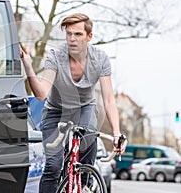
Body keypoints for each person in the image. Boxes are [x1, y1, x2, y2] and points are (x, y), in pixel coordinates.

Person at [20, 13, 127, 193]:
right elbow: (41, 94)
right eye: (69, 34)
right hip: (55, 111)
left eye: (78, 34)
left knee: (89, 134)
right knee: (53, 166)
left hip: (84, 108)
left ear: (89, 37)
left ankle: (83, 182)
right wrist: (28, 66)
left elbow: (109, 99)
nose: (72, 39)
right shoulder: (55, 56)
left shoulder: (100, 59)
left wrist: (117, 133)